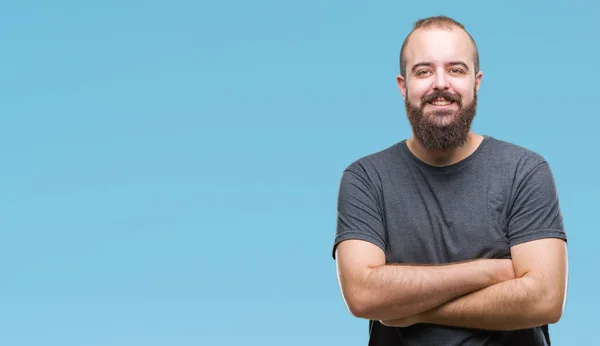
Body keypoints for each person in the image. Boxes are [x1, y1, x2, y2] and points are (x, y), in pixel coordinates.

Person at [332, 15, 568, 346]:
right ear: (403, 86)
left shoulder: (524, 170)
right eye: (424, 71)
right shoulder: (366, 179)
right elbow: (362, 294)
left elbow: (545, 299)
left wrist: (412, 309)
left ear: (477, 82)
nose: (440, 83)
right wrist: (493, 272)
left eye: (456, 70)